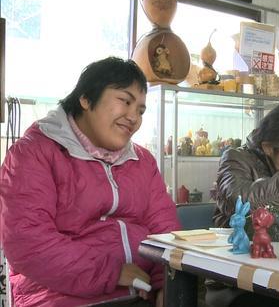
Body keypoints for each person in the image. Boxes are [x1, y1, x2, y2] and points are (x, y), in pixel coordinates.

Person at [0, 57, 180, 306]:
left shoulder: (142, 160)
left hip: (142, 293)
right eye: (125, 101)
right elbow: (29, 243)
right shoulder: (33, 153)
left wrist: (165, 283)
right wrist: (113, 273)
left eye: (140, 110)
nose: (133, 117)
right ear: (86, 98)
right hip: (60, 297)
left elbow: (165, 228)